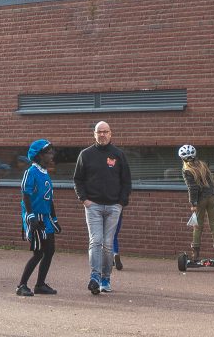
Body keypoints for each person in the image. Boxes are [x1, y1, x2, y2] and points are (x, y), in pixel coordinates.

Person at [73, 121, 131, 296]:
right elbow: (78, 179)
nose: (103, 135)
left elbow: (126, 180)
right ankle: (95, 277)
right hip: (93, 206)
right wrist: (84, 199)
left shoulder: (118, 154)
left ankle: (106, 278)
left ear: (111, 134)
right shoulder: (85, 154)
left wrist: (121, 202)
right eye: (100, 132)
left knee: (107, 245)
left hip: (114, 206)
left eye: (106, 132)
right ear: (94, 134)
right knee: (95, 241)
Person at [16, 139, 62, 297]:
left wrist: (54, 219)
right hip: (35, 217)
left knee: (50, 251)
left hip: (46, 218)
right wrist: (30, 216)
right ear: (39, 155)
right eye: (48, 152)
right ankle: (21, 285)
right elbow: (26, 195)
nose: (52, 154)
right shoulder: (31, 172)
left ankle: (40, 284)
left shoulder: (45, 172)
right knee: (38, 252)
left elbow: (49, 199)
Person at [178, 145, 214, 262]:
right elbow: (212, 181)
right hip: (212, 197)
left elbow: (192, 188)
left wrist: (193, 203)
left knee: (198, 226)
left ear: (183, 158)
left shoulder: (187, 170)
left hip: (200, 199)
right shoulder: (203, 164)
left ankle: (195, 255)